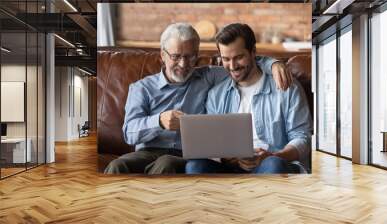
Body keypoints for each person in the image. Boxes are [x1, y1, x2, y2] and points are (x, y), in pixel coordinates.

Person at [104, 23, 292, 175]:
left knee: (166, 164)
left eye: (190, 57)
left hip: (185, 154)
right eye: (176, 57)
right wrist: (159, 121)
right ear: (163, 55)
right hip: (147, 151)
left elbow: (243, 64)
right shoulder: (142, 88)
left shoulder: (208, 76)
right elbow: (129, 133)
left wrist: (274, 64)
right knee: (117, 166)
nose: (184, 64)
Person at [186, 23, 312, 174]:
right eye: (226, 59)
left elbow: (302, 137)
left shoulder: (286, 87)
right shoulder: (216, 94)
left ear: (253, 52)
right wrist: (225, 157)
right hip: (230, 167)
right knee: (195, 166)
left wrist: (274, 155)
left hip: (273, 161)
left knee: (272, 164)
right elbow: (211, 143)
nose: (232, 66)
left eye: (238, 57)